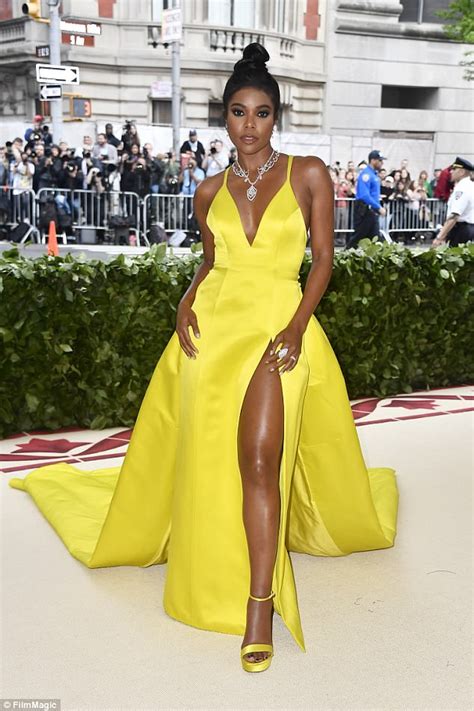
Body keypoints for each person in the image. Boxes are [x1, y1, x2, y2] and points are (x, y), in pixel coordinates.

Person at [8, 42, 399, 674]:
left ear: (277, 117)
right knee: (216, 460)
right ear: (225, 118)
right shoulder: (208, 188)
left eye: (263, 113)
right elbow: (213, 262)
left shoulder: (309, 174)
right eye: (239, 113)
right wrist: (185, 300)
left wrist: (298, 327)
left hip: (277, 327)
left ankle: (258, 605)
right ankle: (224, 569)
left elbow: (323, 261)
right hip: (211, 333)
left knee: (260, 457)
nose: (250, 125)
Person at [346, 149, 386, 248]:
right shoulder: (366, 175)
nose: (382, 163)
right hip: (364, 210)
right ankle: (345, 255)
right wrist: (378, 207)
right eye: (380, 160)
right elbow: (364, 195)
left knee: (375, 238)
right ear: (373, 160)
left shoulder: (373, 175)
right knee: (359, 236)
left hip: (371, 210)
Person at [432, 157, 474, 247]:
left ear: (462, 172)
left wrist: (439, 237)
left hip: (461, 231)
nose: (451, 172)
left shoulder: (462, 189)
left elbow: (454, 215)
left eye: (454, 169)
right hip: (467, 229)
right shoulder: (470, 186)